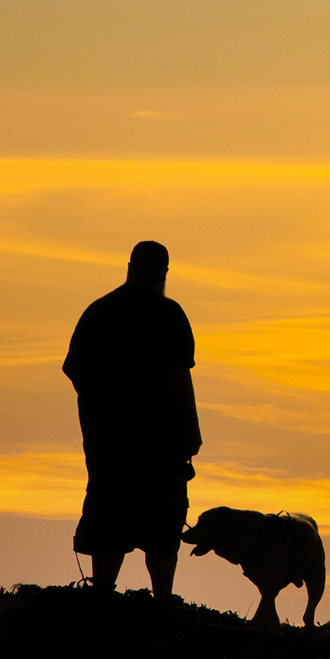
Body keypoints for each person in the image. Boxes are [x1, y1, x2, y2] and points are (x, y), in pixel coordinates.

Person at [63, 240, 202, 599]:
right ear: (164, 274)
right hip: (160, 445)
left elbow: (74, 371)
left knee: (109, 517)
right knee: (163, 521)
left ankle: (102, 594)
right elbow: (178, 377)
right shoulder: (170, 315)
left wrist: (100, 407)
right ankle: (162, 600)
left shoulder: (98, 313)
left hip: (108, 443)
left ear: (129, 267)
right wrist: (193, 431)